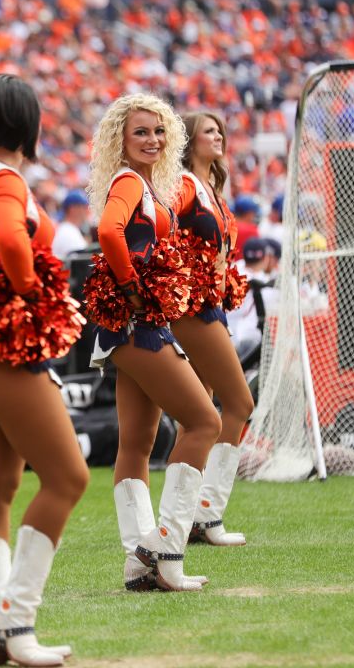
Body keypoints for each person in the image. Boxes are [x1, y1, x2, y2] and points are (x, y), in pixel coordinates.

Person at [0, 74, 89, 666]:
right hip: (6, 347)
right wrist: (34, 293)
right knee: (67, 477)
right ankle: (14, 621)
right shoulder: (4, 179)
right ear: (27, 124)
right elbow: (10, 239)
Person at [84, 93, 222, 593]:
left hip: (130, 326)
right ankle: (165, 548)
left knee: (137, 443)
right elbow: (108, 231)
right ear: (120, 138)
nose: (152, 140)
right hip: (135, 325)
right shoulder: (127, 181)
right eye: (140, 131)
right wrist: (132, 289)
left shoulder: (148, 183)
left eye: (159, 131)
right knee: (205, 419)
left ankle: (138, 561)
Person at [170, 112, 256, 547]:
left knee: (197, 414)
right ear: (189, 140)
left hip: (212, 306)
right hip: (194, 310)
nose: (218, 136)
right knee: (239, 402)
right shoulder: (183, 184)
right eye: (208, 131)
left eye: (221, 129)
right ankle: (207, 514)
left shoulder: (213, 188)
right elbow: (164, 235)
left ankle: (184, 518)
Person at [228, 237, 281, 360]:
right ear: (265, 258)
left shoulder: (232, 268)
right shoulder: (262, 283)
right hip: (243, 338)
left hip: (220, 332)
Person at [50, 189, 91, 260]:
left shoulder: (69, 229)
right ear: (73, 209)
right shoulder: (68, 232)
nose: (88, 210)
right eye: (84, 207)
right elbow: (79, 266)